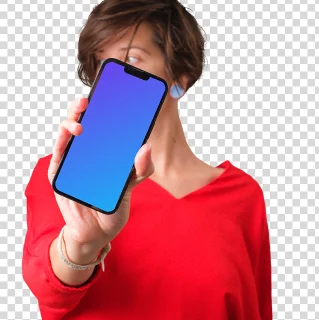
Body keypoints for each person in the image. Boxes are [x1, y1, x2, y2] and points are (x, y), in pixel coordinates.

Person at [22, 1, 272, 319]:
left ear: (180, 78)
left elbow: (255, 310)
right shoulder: (64, 173)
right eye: (101, 63)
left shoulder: (242, 197)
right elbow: (49, 291)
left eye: (131, 59)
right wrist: (81, 243)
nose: (110, 78)